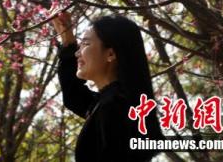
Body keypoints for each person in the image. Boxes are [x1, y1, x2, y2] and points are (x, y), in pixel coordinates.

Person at [51, 11, 164, 162]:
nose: (78, 53)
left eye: (85, 44)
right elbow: (74, 96)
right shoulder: (112, 102)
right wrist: (68, 41)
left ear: (110, 54)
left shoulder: (116, 106)